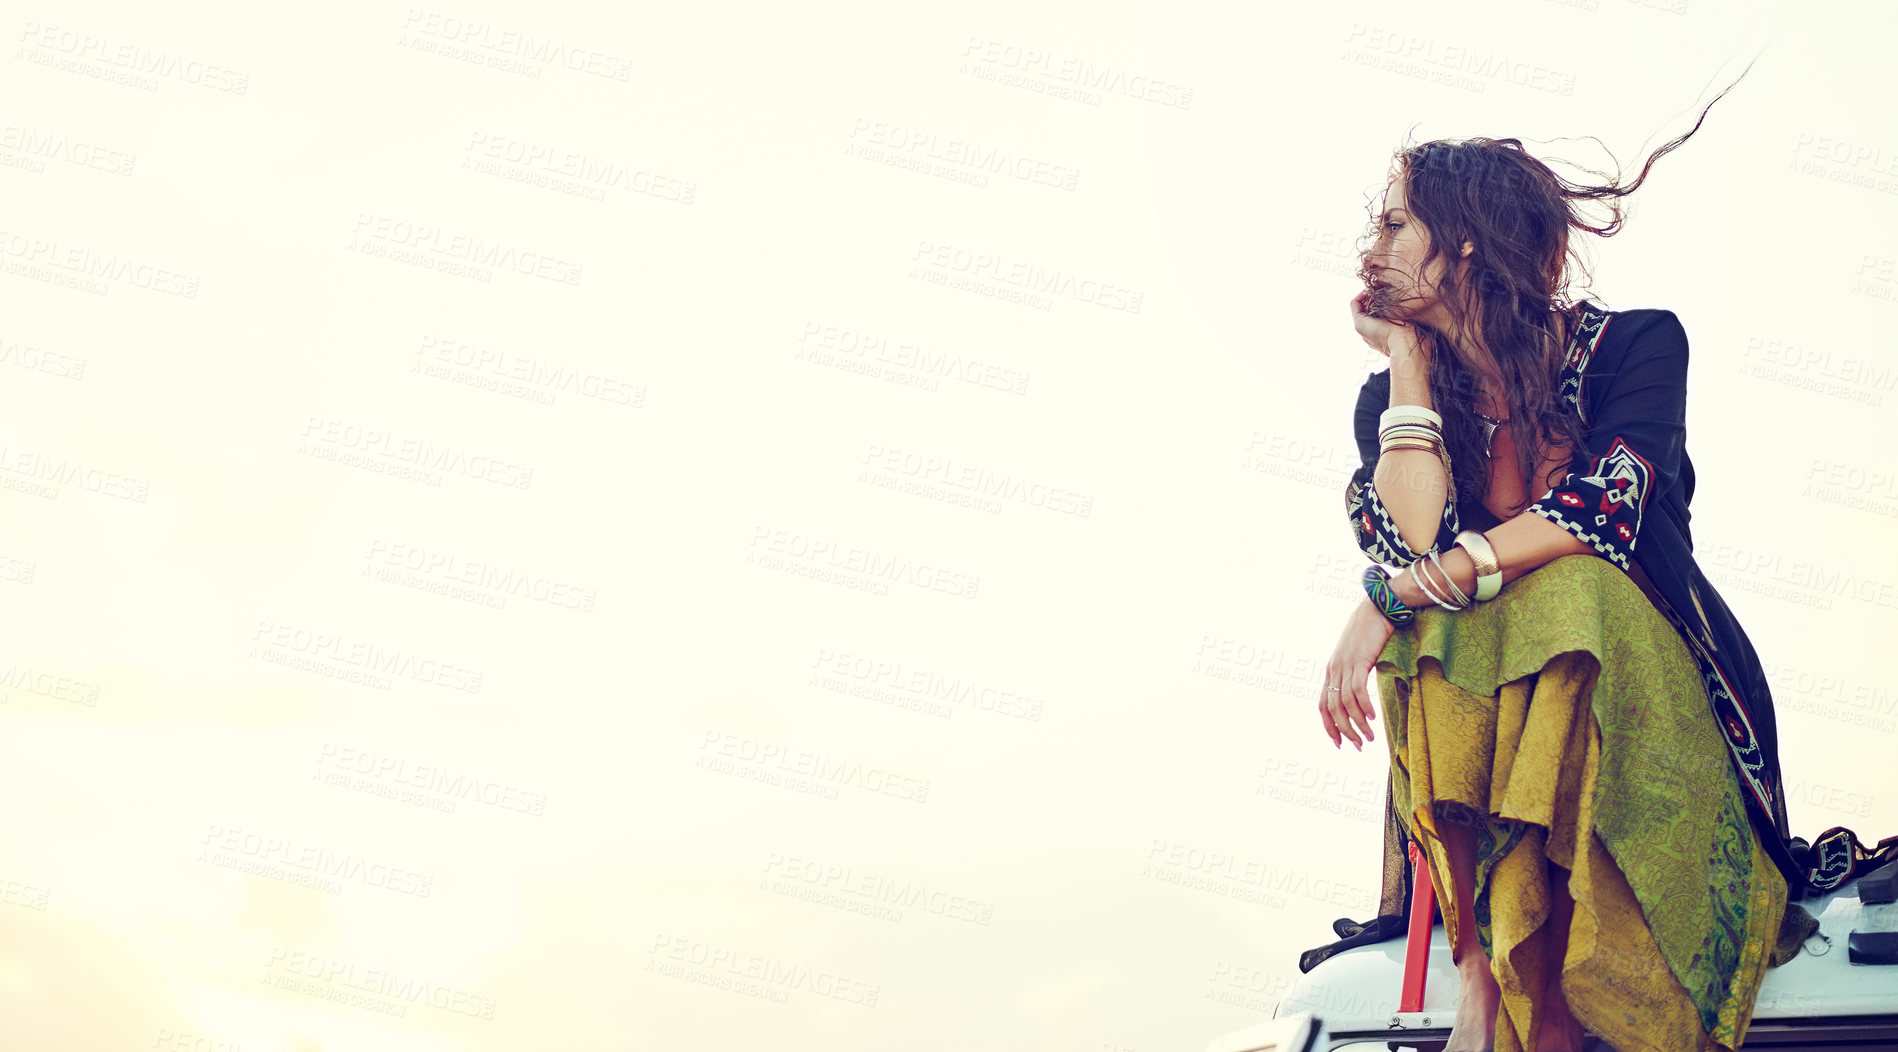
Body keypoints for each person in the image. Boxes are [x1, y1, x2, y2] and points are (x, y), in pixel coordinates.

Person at [1307, 101, 1898, 1052]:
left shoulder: (1638, 347)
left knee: (1567, 588)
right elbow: (1411, 539)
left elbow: (1603, 513)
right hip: (1498, 748)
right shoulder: (1390, 399)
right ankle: (1483, 976)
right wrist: (1409, 368)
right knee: (1435, 630)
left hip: (1648, 705)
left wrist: (1390, 598)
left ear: (1461, 244)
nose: (1368, 247)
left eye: (1393, 223)